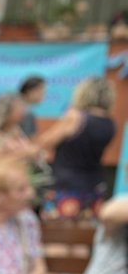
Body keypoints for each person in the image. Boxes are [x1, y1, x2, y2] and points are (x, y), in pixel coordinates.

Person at [34, 77, 117, 219]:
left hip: (66, 185)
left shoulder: (76, 117)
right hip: (95, 183)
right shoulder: (110, 123)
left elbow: (45, 142)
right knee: (86, 233)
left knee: (60, 233)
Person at [18, 74, 46, 139]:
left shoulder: (26, 111)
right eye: (41, 91)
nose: (43, 95)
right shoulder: (26, 113)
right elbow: (29, 140)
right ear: (29, 91)